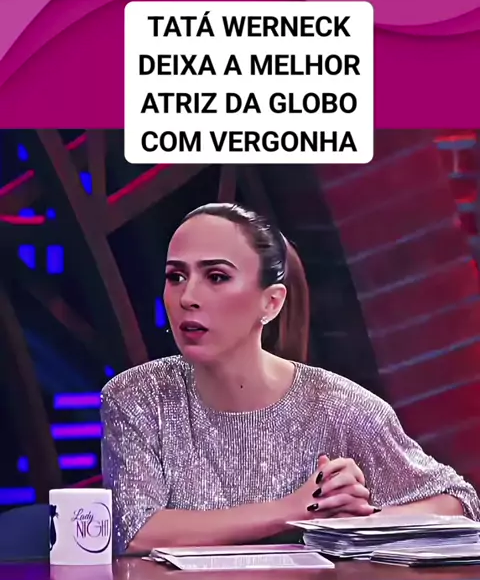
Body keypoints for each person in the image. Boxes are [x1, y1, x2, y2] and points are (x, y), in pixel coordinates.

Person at [101, 203, 480, 555]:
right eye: (176, 276)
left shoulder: (339, 406)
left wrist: (356, 523)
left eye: (216, 276)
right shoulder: (137, 397)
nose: (188, 297)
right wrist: (293, 510)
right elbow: (131, 530)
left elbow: (459, 503)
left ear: (272, 302)